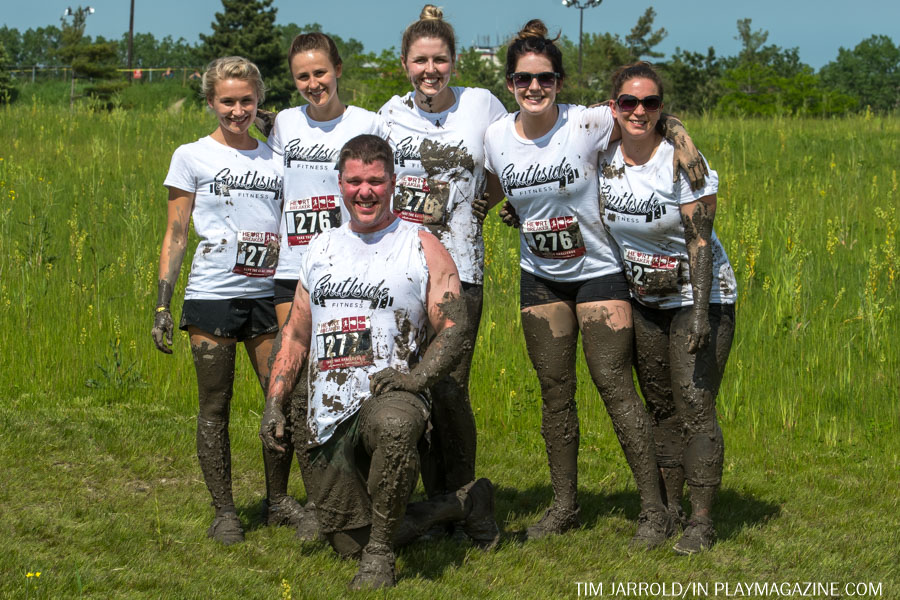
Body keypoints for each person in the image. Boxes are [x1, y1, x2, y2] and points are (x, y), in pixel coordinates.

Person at [482, 20, 706, 549]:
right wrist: (506, 209)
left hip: (599, 274)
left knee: (613, 385)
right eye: (523, 79)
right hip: (540, 278)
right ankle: (564, 506)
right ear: (509, 84)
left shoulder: (585, 122)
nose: (534, 87)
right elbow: (496, 185)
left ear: (559, 82)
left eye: (545, 78)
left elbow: (644, 112)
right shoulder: (495, 135)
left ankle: (653, 510)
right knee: (555, 393)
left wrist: (683, 140)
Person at [260, 135, 500, 590]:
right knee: (346, 540)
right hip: (327, 410)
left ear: (392, 183)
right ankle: (463, 503)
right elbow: (294, 334)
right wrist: (274, 403)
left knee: (392, 426)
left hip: (389, 395)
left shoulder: (422, 245)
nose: (364, 191)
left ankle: (381, 556)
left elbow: (455, 327)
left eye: (375, 181)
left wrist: (416, 380)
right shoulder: (321, 247)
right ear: (340, 184)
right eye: (355, 181)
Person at [150, 56, 301, 544]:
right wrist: (162, 305)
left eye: (246, 101)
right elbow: (176, 233)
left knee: (281, 400)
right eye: (227, 102)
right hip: (212, 295)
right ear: (211, 101)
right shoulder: (191, 156)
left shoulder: (277, 158)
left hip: (269, 298)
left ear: (259, 100)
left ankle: (278, 502)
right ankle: (225, 512)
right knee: (215, 405)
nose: (238, 111)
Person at [598, 62, 737, 554]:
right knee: (659, 407)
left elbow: (700, 241)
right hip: (644, 300)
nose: (639, 111)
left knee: (694, 404)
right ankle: (669, 509)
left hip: (700, 298)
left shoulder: (680, 161)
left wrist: (699, 311)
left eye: (651, 103)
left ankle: (701, 521)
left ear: (662, 108)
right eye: (629, 102)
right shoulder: (602, 153)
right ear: (613, 106)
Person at [377, 4, 508, 511]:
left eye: (439, 60)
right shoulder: (389, 115)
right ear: (404, 64)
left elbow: (512, 154)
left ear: (454, 61)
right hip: (404, 272)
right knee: (409, 384)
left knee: (450, 386)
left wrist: (488, 201)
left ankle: (460, 497)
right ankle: (427, 497)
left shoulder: (482, 105)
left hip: (462, 270)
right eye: (420, 61)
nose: (430, 70)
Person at [264, 32, 391, 539]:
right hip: (293, 268)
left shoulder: (368, 122)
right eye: (302, 76)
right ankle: (317, 500)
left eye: (320, 72)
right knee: (299, 384)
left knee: (350, 376)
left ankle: (361, 493)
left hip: (353, 270)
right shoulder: (284, 124)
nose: (313, 83)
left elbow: (388, 187)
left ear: (338, 69)